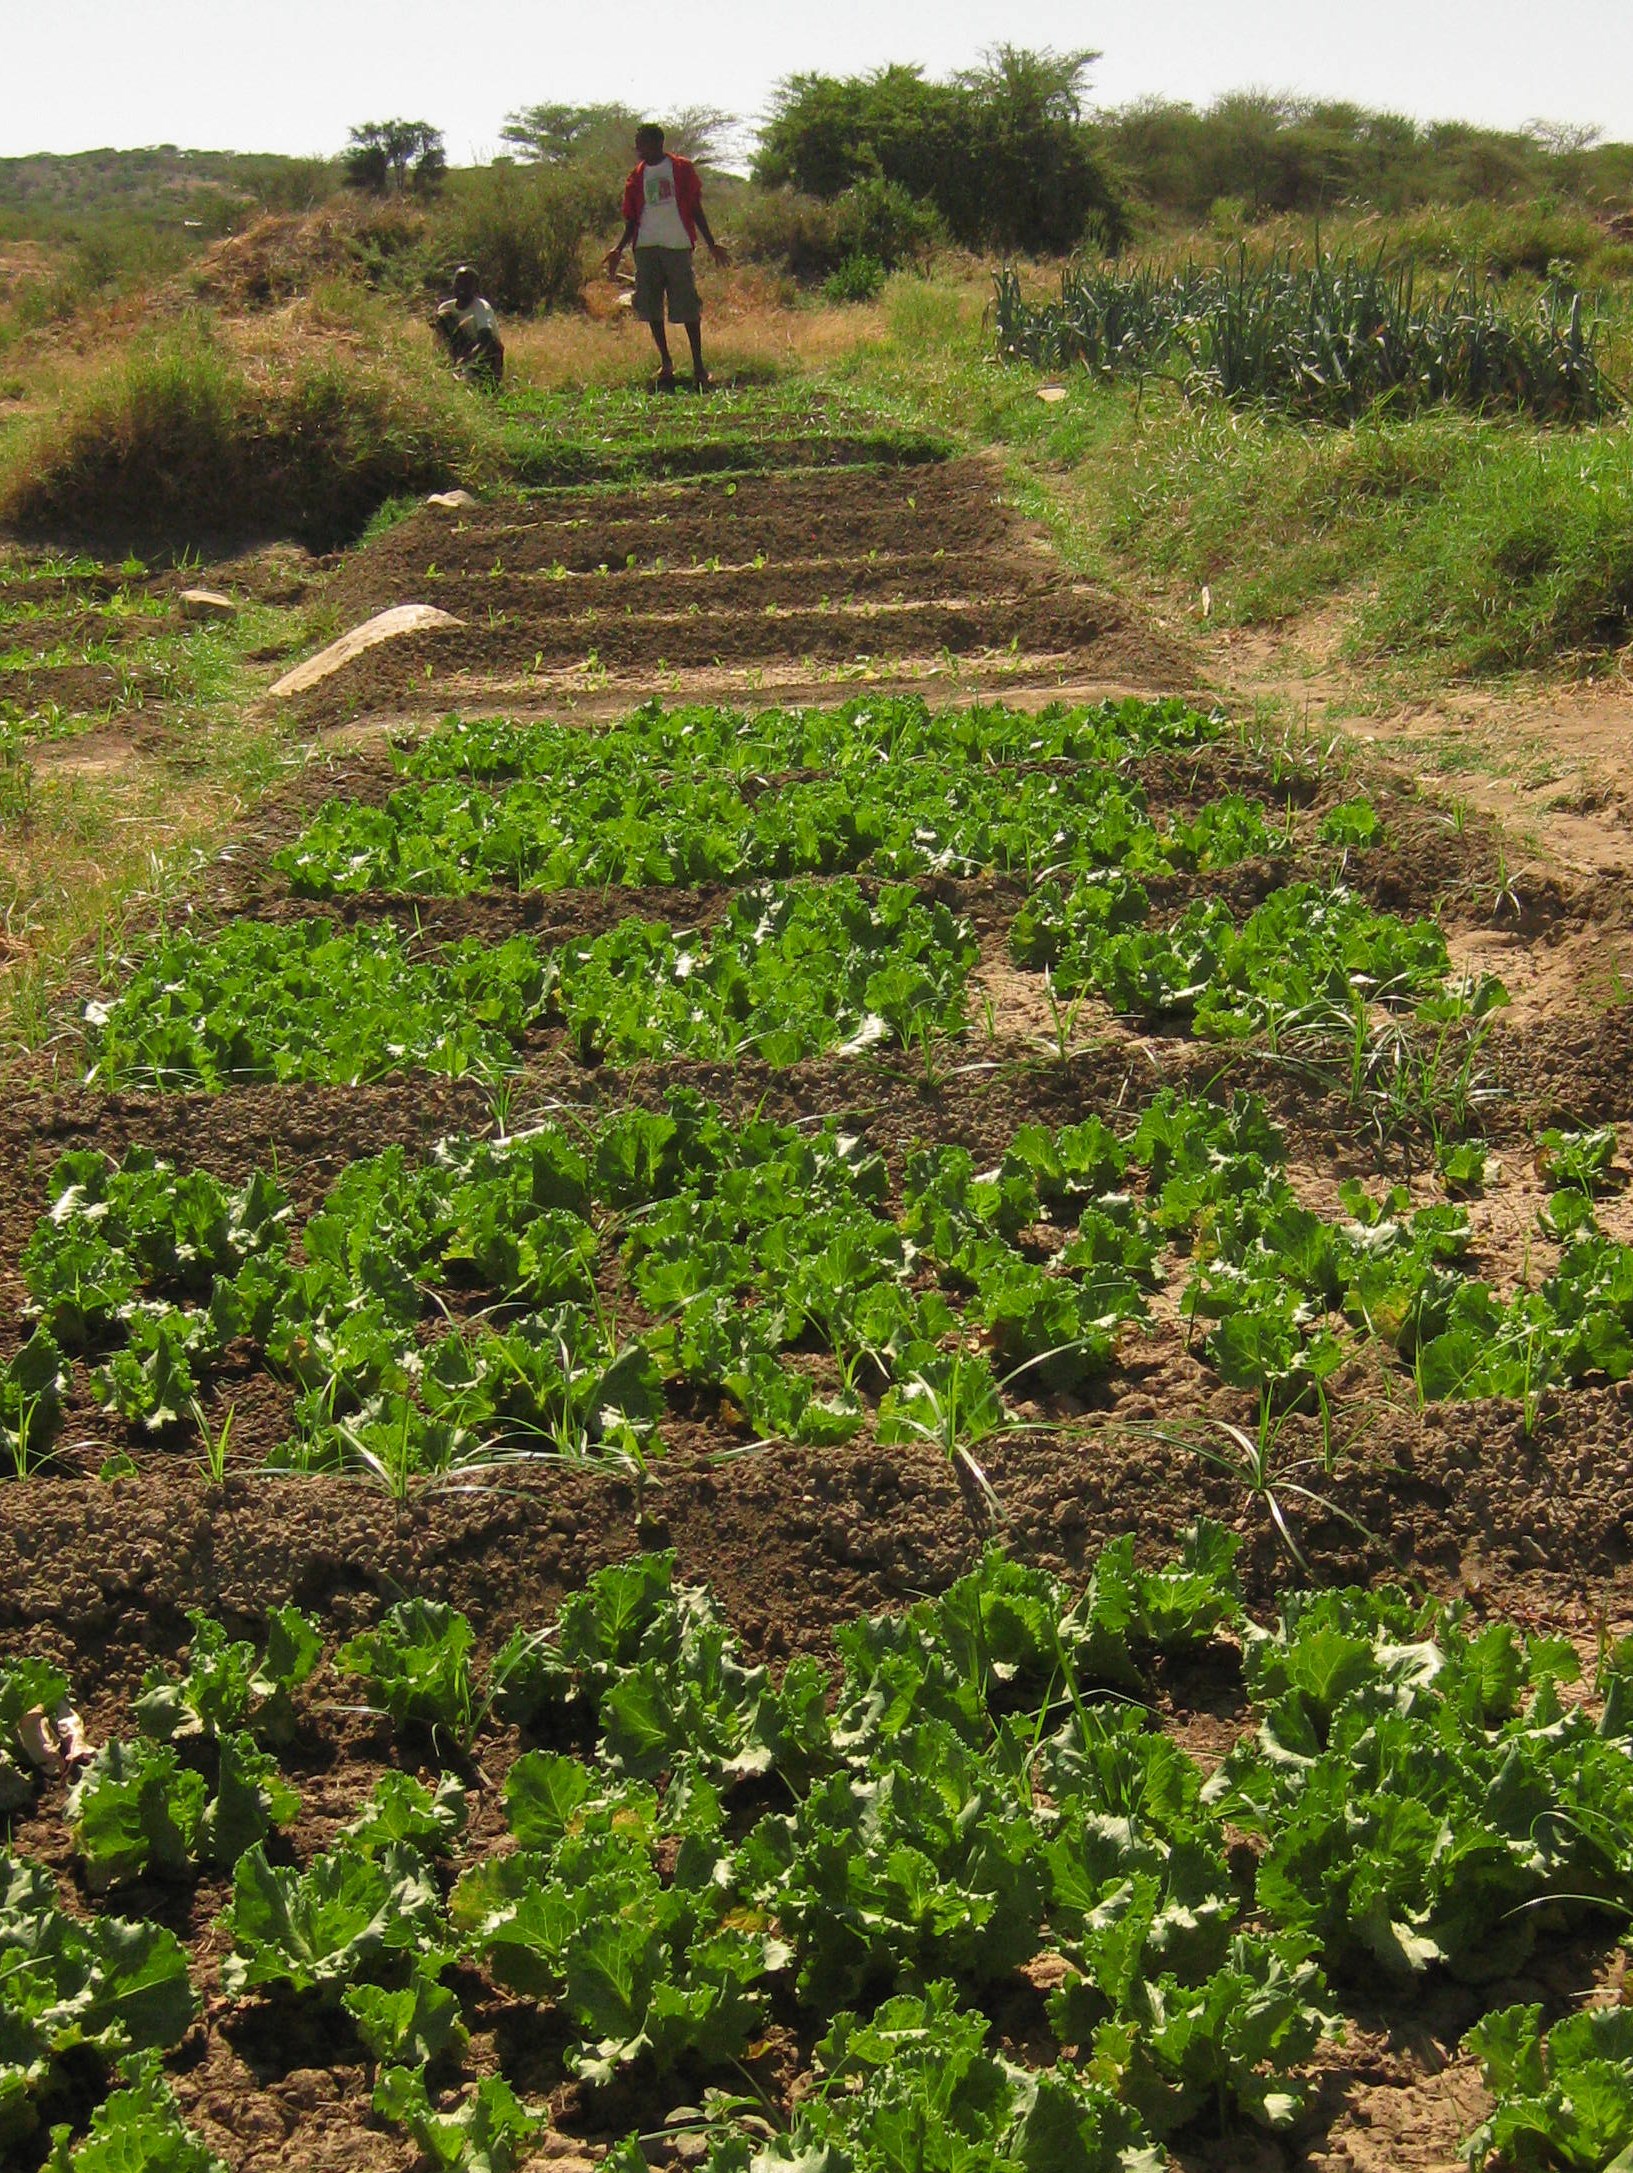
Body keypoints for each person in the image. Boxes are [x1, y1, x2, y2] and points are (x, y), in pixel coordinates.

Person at [602, 124, 728, 391]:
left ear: (658, 143)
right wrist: (619, 248)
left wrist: (711, 242)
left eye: (642, 143)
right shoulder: (636, 177)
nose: (638, 149)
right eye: (637, 143)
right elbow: (632, 219)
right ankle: (666, 362)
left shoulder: (681, 169)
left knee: (687, 305)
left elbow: (695, 208)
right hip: (646, 248)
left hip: (677, 245)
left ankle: (698, 366)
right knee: (650, 305)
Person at [434, 265, 505, 389]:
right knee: (443, 317)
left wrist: (466, 362)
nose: (462, 287)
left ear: (475, 287)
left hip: (484, 358)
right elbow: (440, 340)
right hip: (459, 352)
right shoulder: (445, 308)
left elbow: (486, 341)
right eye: (459, 282)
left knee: (493, 345)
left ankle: (485, 382)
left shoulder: (481, 307)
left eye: (467, 283)